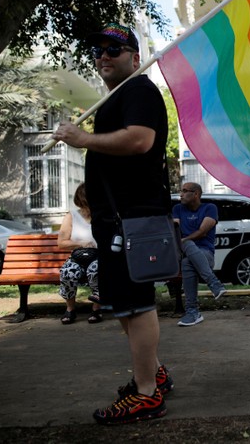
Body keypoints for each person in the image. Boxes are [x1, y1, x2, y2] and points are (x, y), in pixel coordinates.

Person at [53, 22, 172, 425]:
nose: (104, 55)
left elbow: (140, 140)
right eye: (98, 50)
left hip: (131, 219)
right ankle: (152, 375)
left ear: (135, 58)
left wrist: (82, 139)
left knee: (136, 304)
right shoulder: (119, 97)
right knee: (123, 303)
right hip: (117, 219)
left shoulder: (139, 90)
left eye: (114, 50)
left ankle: (146, 395)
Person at [172, 182, 227, 327]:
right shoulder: (177, 209)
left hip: (205, 255)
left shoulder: (210, 208)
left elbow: (203, 231)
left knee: (187, 257)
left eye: (184, 191)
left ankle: (193, 312)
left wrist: (183, 240)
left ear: (196, 194)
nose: (181, 194)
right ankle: (214, 283)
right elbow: (175, 230)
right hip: (184, 252)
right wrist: (181, 240)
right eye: (181, 191)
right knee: (187, 250)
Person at [57, 183, 101, 325]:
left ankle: (96, 309)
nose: (86, 208)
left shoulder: (101, 216)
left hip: (98, 256)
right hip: (78, 256)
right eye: (84, 204)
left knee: (97, 269)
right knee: (67, 271)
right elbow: (61, 243)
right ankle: (70, 309)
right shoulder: (71, 216)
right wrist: (81, 243)